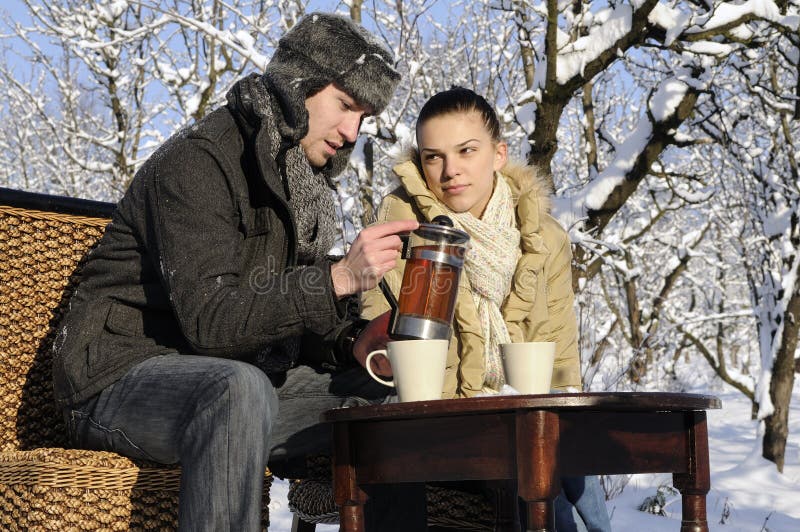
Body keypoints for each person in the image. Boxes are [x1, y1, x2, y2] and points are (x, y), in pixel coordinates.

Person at [51, 12, 418, 531]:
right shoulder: (200, 160)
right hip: (119, 379)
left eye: (365, 117)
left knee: (397, 405)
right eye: (345, 105)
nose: (352, 131)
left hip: (235, 383)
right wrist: (336, 280)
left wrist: (354, 342)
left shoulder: (302, 182)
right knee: (235, 389)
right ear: (299, 86)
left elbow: (281, 313)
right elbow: (213, 323)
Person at [359, 87, 613, 531]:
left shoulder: (545, 237)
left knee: (561, 452)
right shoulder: (398, 228)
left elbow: (560, 356)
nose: (450, 170)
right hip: (440, 421)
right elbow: (377, 339)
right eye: (434, 157)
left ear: (498, 154)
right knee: (541, 477)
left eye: (466, 151)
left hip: (524, 414)